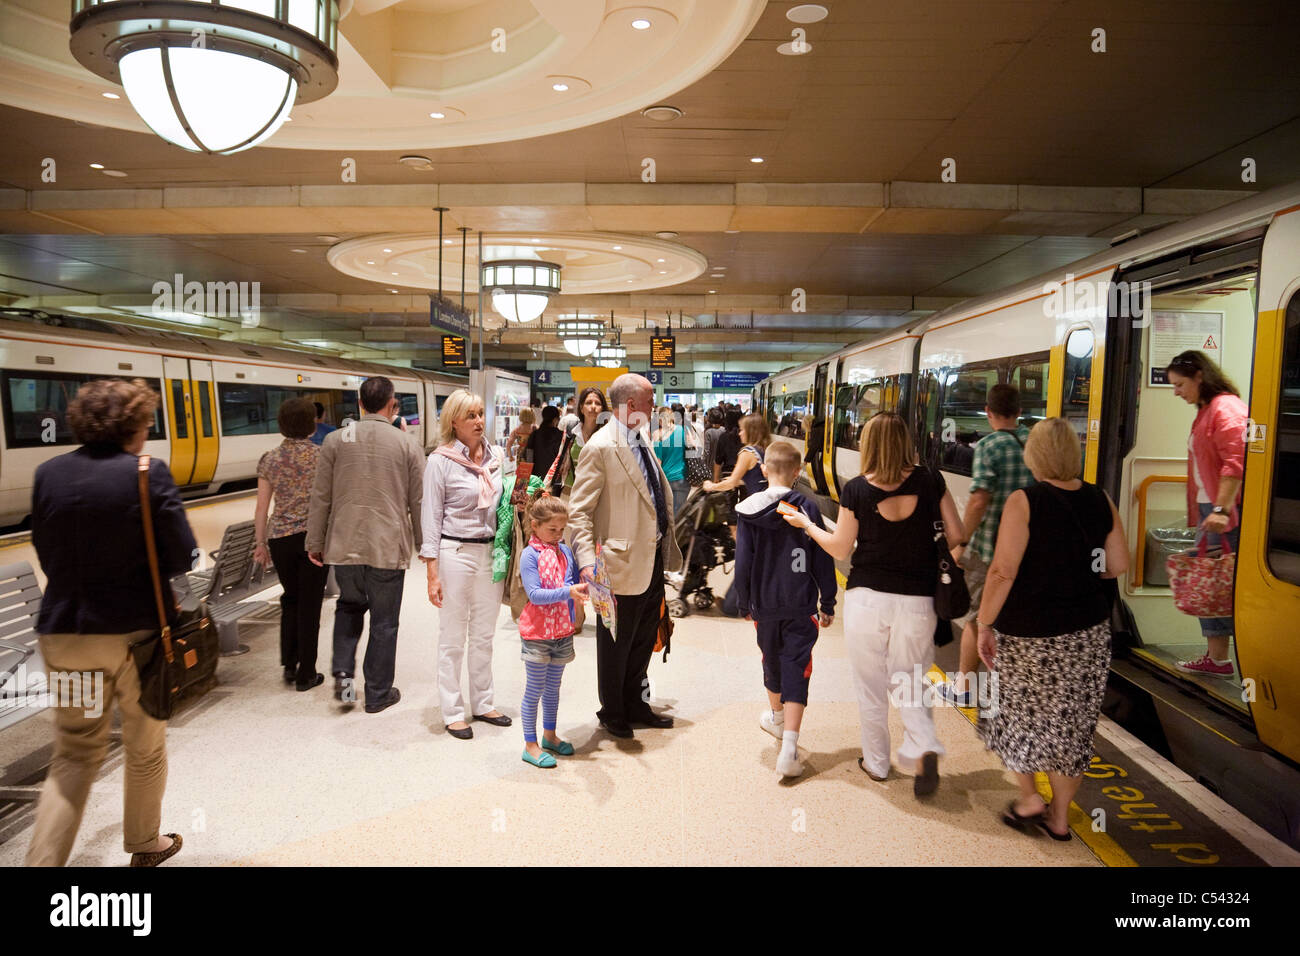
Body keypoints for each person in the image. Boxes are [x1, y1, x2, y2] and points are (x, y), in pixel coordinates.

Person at [26, 378, 195, 867]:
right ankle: (145, 843)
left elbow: (45, 548)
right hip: (135, 641)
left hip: (67, 636)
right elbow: (180, 552)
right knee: (144, 744)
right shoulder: (147, 472)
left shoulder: (48, 472)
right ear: (134, 425)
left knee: (75, 754)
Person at [790, 412, 962, 797]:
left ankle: (877, 764)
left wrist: (809, 526)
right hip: (919, 600)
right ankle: (922, 747)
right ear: (906, 441)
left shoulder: (857, 490)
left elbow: (840, 547)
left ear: (868, 444)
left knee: (870, 685)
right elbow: (958, 534)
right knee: (910, 678)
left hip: (868, 598)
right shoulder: (932, 480)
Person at [975, 418, 1130, 841]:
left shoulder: (1025, 501)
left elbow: (1003, 571)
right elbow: (1116, 565)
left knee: (1019, 715)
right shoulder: (1101, 499)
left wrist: (985, 623)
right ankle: (1060, 819)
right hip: (1087, 635)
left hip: (1029, 635)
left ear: (1034, 456)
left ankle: (1029, 800)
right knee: (1071, 726)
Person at [568, 373, 683, 739]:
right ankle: (613, 710)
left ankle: (635, 702)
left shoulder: (641, 438)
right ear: (630, 405)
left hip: (651, 559)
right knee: (616, 642)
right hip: (617, 562)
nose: (655, 406)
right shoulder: (600, 447)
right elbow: (580, 511)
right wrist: (586, 560)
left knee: (642, 637)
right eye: (650, 400)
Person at [306, 375, 423, 715]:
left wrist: (315, 541)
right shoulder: (406, 445)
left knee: (349, 607)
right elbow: (419, 503)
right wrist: (425, 547)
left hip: (344, 545)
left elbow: (321, 497)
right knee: (385, 623)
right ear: (392, 405)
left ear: (359, 403)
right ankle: (377, 694)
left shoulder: (335, 441)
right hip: (387, 548)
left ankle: (344, 682)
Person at [734, 441, 837, 778]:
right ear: (797, 473)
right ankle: (790, 747)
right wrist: (828, 600)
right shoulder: (805, 506)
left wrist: (743, 600)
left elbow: (744, 561)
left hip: (764, 605)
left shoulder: (748, 509)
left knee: (770, 657)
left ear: (763, 470)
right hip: (800, 602)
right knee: (797, 665)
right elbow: (823, 555)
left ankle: (777, 718)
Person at [422, 389, 511, 739]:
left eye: (480, 414)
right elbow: (430, 518)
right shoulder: (439, 461)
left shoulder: (496, 456)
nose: (478, 420)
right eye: (470, 415)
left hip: (491, 553)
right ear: (453, 421)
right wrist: (431, 572)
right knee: (453, 635)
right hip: (455, 553)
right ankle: (452, 710)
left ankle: (484, 702)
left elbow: (502, 505)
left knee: (484, 634)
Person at [943, 384, 1032, 707]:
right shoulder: (1032, 443)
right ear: (1019, 411)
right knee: (1016, 621)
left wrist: (961, 542)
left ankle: (964, 689)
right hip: (1027, 548)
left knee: (977, 618)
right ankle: (1011, 693)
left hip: (990, 548)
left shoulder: (989, 446)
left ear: (989, 412)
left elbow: (979, 499)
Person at [1165, 350, 1248, 678]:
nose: (1176, 392)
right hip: (1210, 506)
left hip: (1220, 509)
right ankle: (1217, 656)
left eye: (1180, 384)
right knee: (1212, 578)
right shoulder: (1207, 410)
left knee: (1214, 581)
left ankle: (1219, 658)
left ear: (1200, 376)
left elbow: (1236, 461)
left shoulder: (1225, 409)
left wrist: (1220, 509)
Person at [253, 397, 328, 691]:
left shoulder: (269, 459)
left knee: (290, 599)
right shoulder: (322, 456)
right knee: (310, 605)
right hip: (313, 540)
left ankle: (289, 664)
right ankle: (306, 673)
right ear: (312, 424)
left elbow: (261, 508)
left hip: (280, 539)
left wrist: (260, 543)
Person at [517, 496, 586, 768]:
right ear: (535, 525)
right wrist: (567, 592)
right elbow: (534, 594)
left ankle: (550, 736)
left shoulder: (565, 551)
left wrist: (583, 589)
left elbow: (570, 581)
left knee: (554, 689)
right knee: (534, 690)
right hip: (536, 634)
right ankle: (530, 745)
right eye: (552, 530)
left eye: (561, 529)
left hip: (562, 631)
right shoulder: (529, 555)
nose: (558, 535)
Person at [704, 412, 770, 500]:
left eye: (742, 430)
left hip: (753, 504)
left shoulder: (747, 453)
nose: (739, 434)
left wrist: (711, 486)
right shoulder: (763, 449)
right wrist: (741, 481)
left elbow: (730, 483)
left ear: (751, 432)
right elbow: (758, 478)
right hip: (762, 500)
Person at [652, 406, 689, 517]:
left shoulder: (658, 436)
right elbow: (692, 449)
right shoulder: (682, 430)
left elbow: (658, 462)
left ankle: (672, 533)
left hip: (666, 479)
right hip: (682, 477)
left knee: (668, 514)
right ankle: (680, 533)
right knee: (680, 513)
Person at [523, 404, 565, 482]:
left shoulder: (535, 434)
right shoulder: (560, 435)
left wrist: (530, 473)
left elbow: (528, 455)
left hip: (536, 477)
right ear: (555, 419)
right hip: (553, 477)